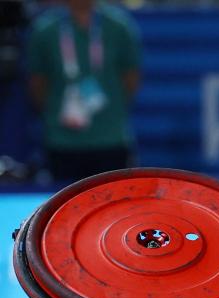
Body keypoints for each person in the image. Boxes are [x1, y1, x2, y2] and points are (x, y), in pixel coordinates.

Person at [26, 0, 141, 182]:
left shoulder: (118, 26)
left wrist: (110, 109)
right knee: (63, 201)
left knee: (111, 201)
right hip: (61, 139)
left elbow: (131, 78)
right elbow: (38, 83)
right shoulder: (46, 29)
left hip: (110, 137)